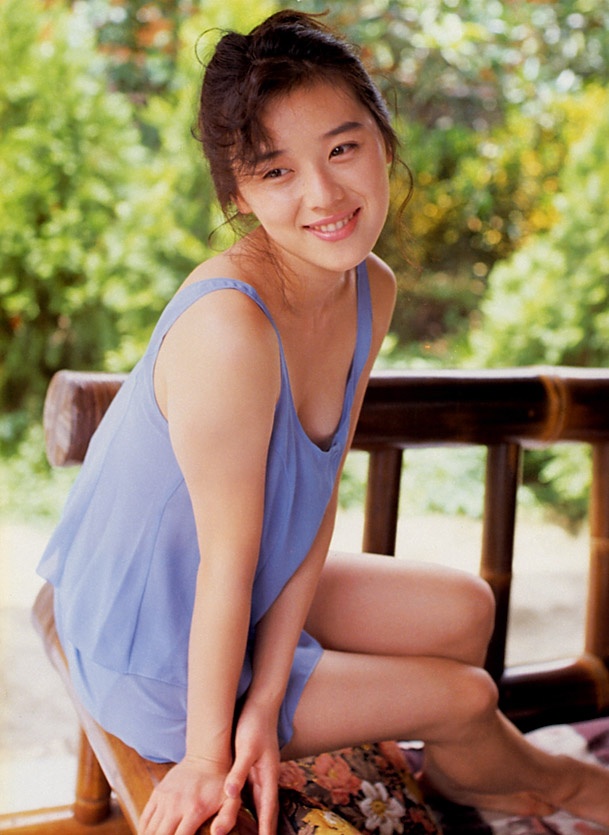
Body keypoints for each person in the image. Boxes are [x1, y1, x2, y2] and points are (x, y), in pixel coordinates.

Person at [38, 10, 609, 835]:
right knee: (463, 693)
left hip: (242, 583)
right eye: (276, 171)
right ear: (238, 194)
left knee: (465, 612)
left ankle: (464, 769)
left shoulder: (369, 288)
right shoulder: (229, 328)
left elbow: (312, 502)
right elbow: (223, 566)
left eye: (342, 149)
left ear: (381, 137)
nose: (323, 195)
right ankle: (552, 781)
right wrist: (207, 755)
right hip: (153, 644)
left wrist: (269, 692)